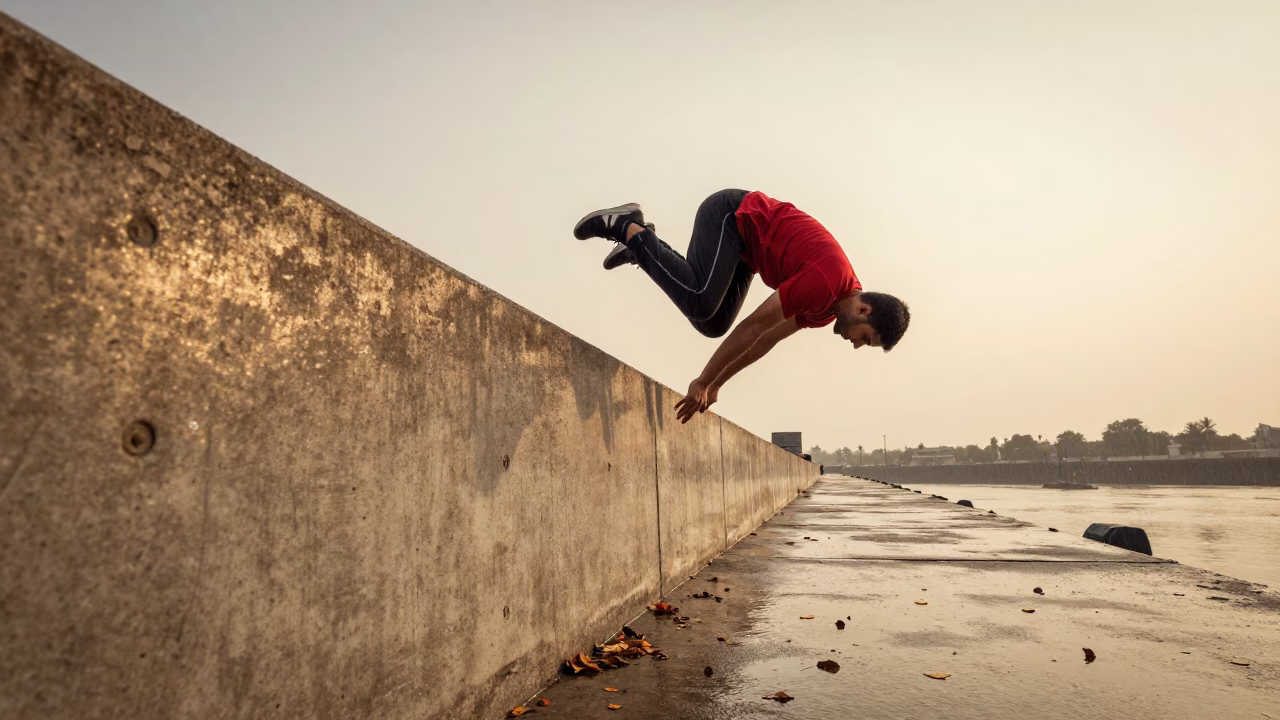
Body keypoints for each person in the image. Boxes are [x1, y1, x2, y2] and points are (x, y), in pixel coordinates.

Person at [573, 189, 911, 423]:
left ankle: (643, 246)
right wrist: (702, 381)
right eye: (865, 338)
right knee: (702, 301)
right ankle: (625, 225)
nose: (855, 345)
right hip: (730, 215)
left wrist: (718, 382)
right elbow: (754, 327)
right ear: (864, 311)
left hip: (744, 252)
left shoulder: (826, 311)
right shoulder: (826, 281)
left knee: (712, 323)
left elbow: (766, 340)